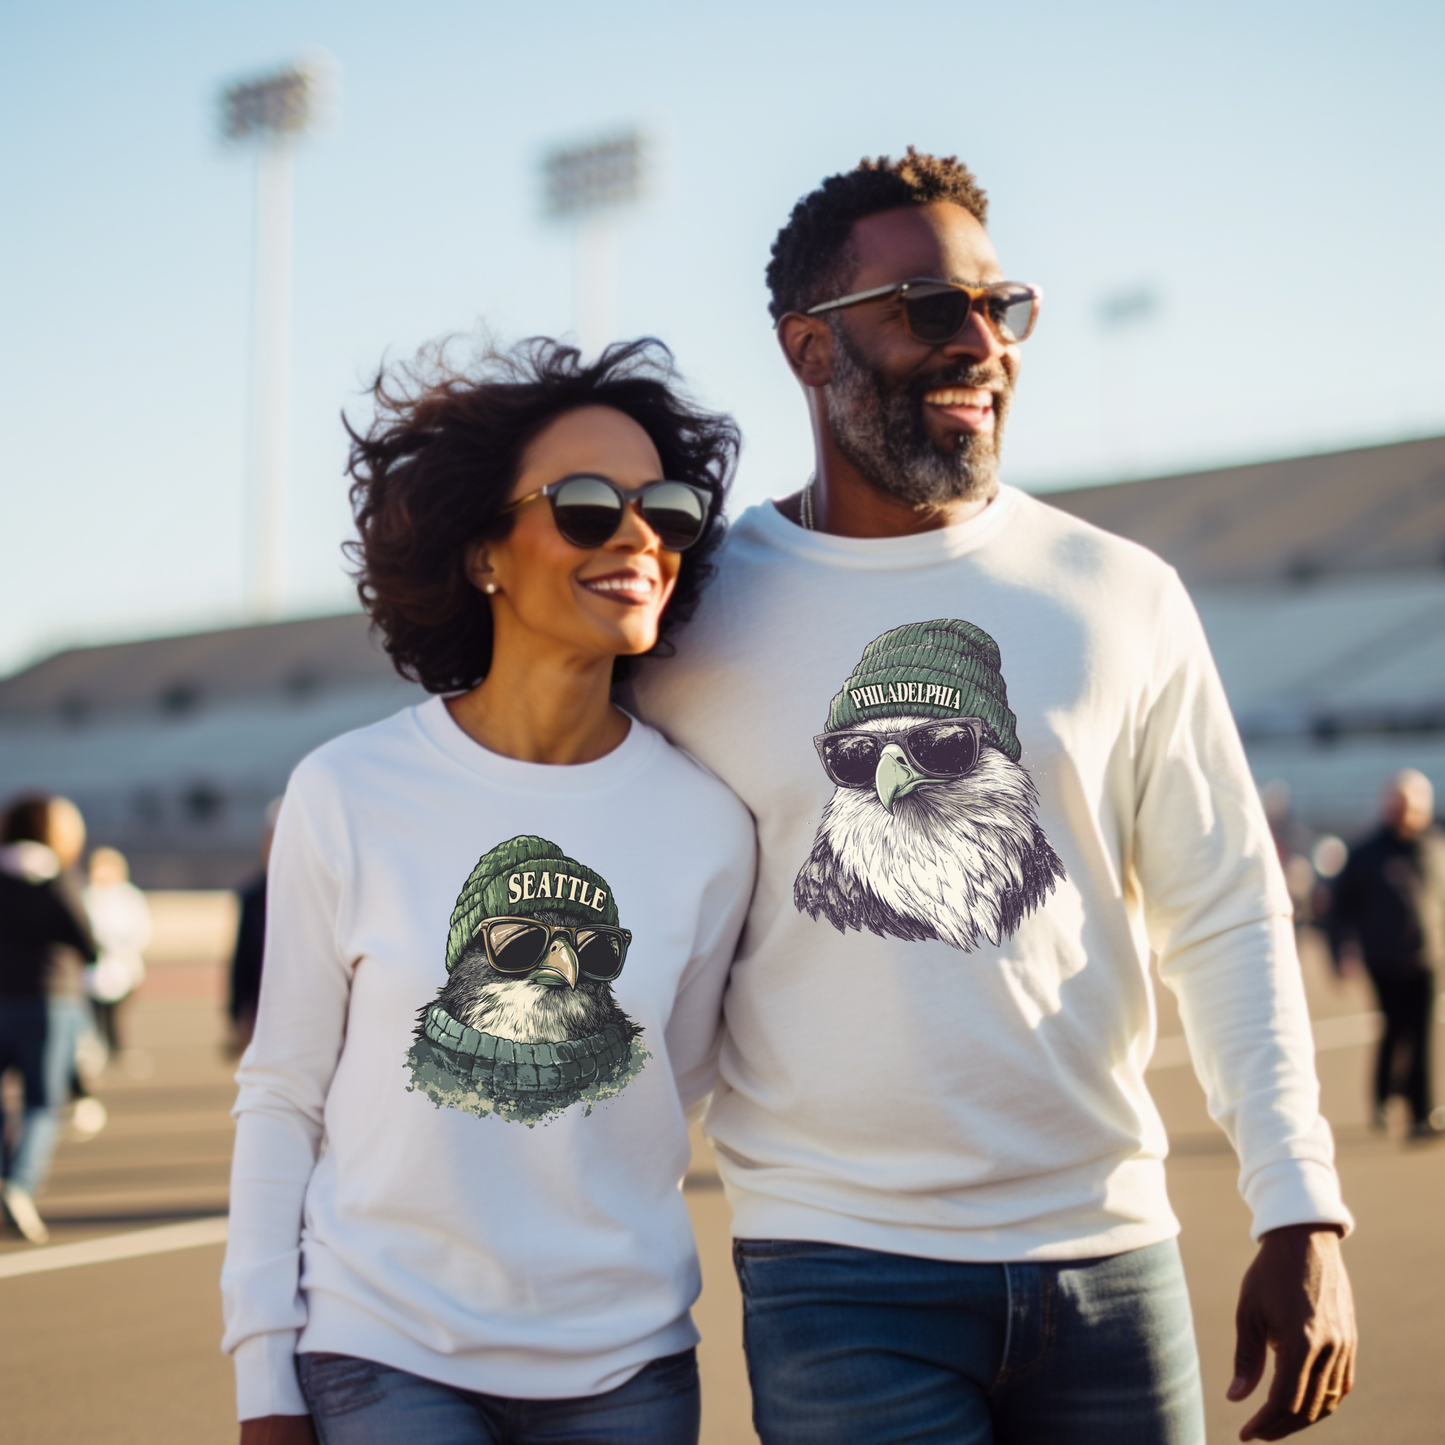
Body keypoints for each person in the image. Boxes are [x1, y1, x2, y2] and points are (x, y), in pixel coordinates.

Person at [631, 150, 1356, 1444]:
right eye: (924, 306)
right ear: (809, 348)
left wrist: (1299, 1204)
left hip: (1111, 1254)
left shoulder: (1117, 594)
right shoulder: (691, 620)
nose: (978, 342)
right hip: (834, 1268)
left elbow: (1226, 909)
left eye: (999, 305)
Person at [221, 338, 755, 1445]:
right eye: (587, 505)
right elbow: (282, 1091)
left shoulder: (707, 822)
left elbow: (681, 1074)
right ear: (483, 555)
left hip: (628, 1369)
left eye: (665, 506)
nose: (638, 535)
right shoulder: (348, 790)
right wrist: (262, 1375)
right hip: (383, 1350)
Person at [0, 793, 97, 1243]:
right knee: (42, 1101)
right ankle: (20, 1183)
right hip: (48, 1000)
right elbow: (85, 939)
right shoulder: (57, 878)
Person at [1328, 769, 1444, 1140]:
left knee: (1423, 1033)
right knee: (1394, 1029)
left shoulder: (1435, 849)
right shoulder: (1365, 855)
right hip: (1383, 958)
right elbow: (1337, 910)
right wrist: (1340, 954)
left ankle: (1422, 1112)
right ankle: (1381, 1097)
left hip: (1426, 957)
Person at [83, 846, 151, 1058]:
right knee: (94, 1012)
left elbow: (141, 929)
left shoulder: (129, 896)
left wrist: (122, 948)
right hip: (94, 967)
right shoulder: (86, 895)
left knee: (118, 1011)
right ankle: (98, 1044)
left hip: (123, 965)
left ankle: (117, 1046)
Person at [227, 798, 282, 1057]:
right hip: (266, 1009)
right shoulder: (252, 896)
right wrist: (235, 1014)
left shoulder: (329, 895)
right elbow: (242, 960)